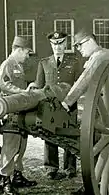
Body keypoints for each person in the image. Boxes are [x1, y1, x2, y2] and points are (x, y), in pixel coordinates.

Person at [61, 29, 109, 195]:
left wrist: (66, 101)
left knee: (99, 146)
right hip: (102, 109)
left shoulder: (100, 57)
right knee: (99, 146)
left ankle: (95, 186)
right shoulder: (102, 55)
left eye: (79, 44)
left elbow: (84, 80)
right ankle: (96, 184)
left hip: (106, 112)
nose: (78, 49)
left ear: (90, 41)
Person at [29, 31, 83, 180]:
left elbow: (79, 84)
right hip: (49, 105)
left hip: (69, 104)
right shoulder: (44, 62)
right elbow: (40, 85)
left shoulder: (74, 62)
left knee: (70, 132)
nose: (57, 48)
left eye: (60, 44)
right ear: (51, 45)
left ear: (65, 44)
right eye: (54, 44)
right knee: (48, 133)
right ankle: (51, 167)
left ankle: (70, 167)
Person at [0, 36, 37, 195]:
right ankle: (5, 180)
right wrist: (23, 92)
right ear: (19, 50)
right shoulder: (7, 64)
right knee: (10, 146)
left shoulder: (19, 66)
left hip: (21, 109)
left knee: (21, 144)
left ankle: (18, 176)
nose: (28, 56)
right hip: (10, 110)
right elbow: (5, 85)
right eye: (27, 52)